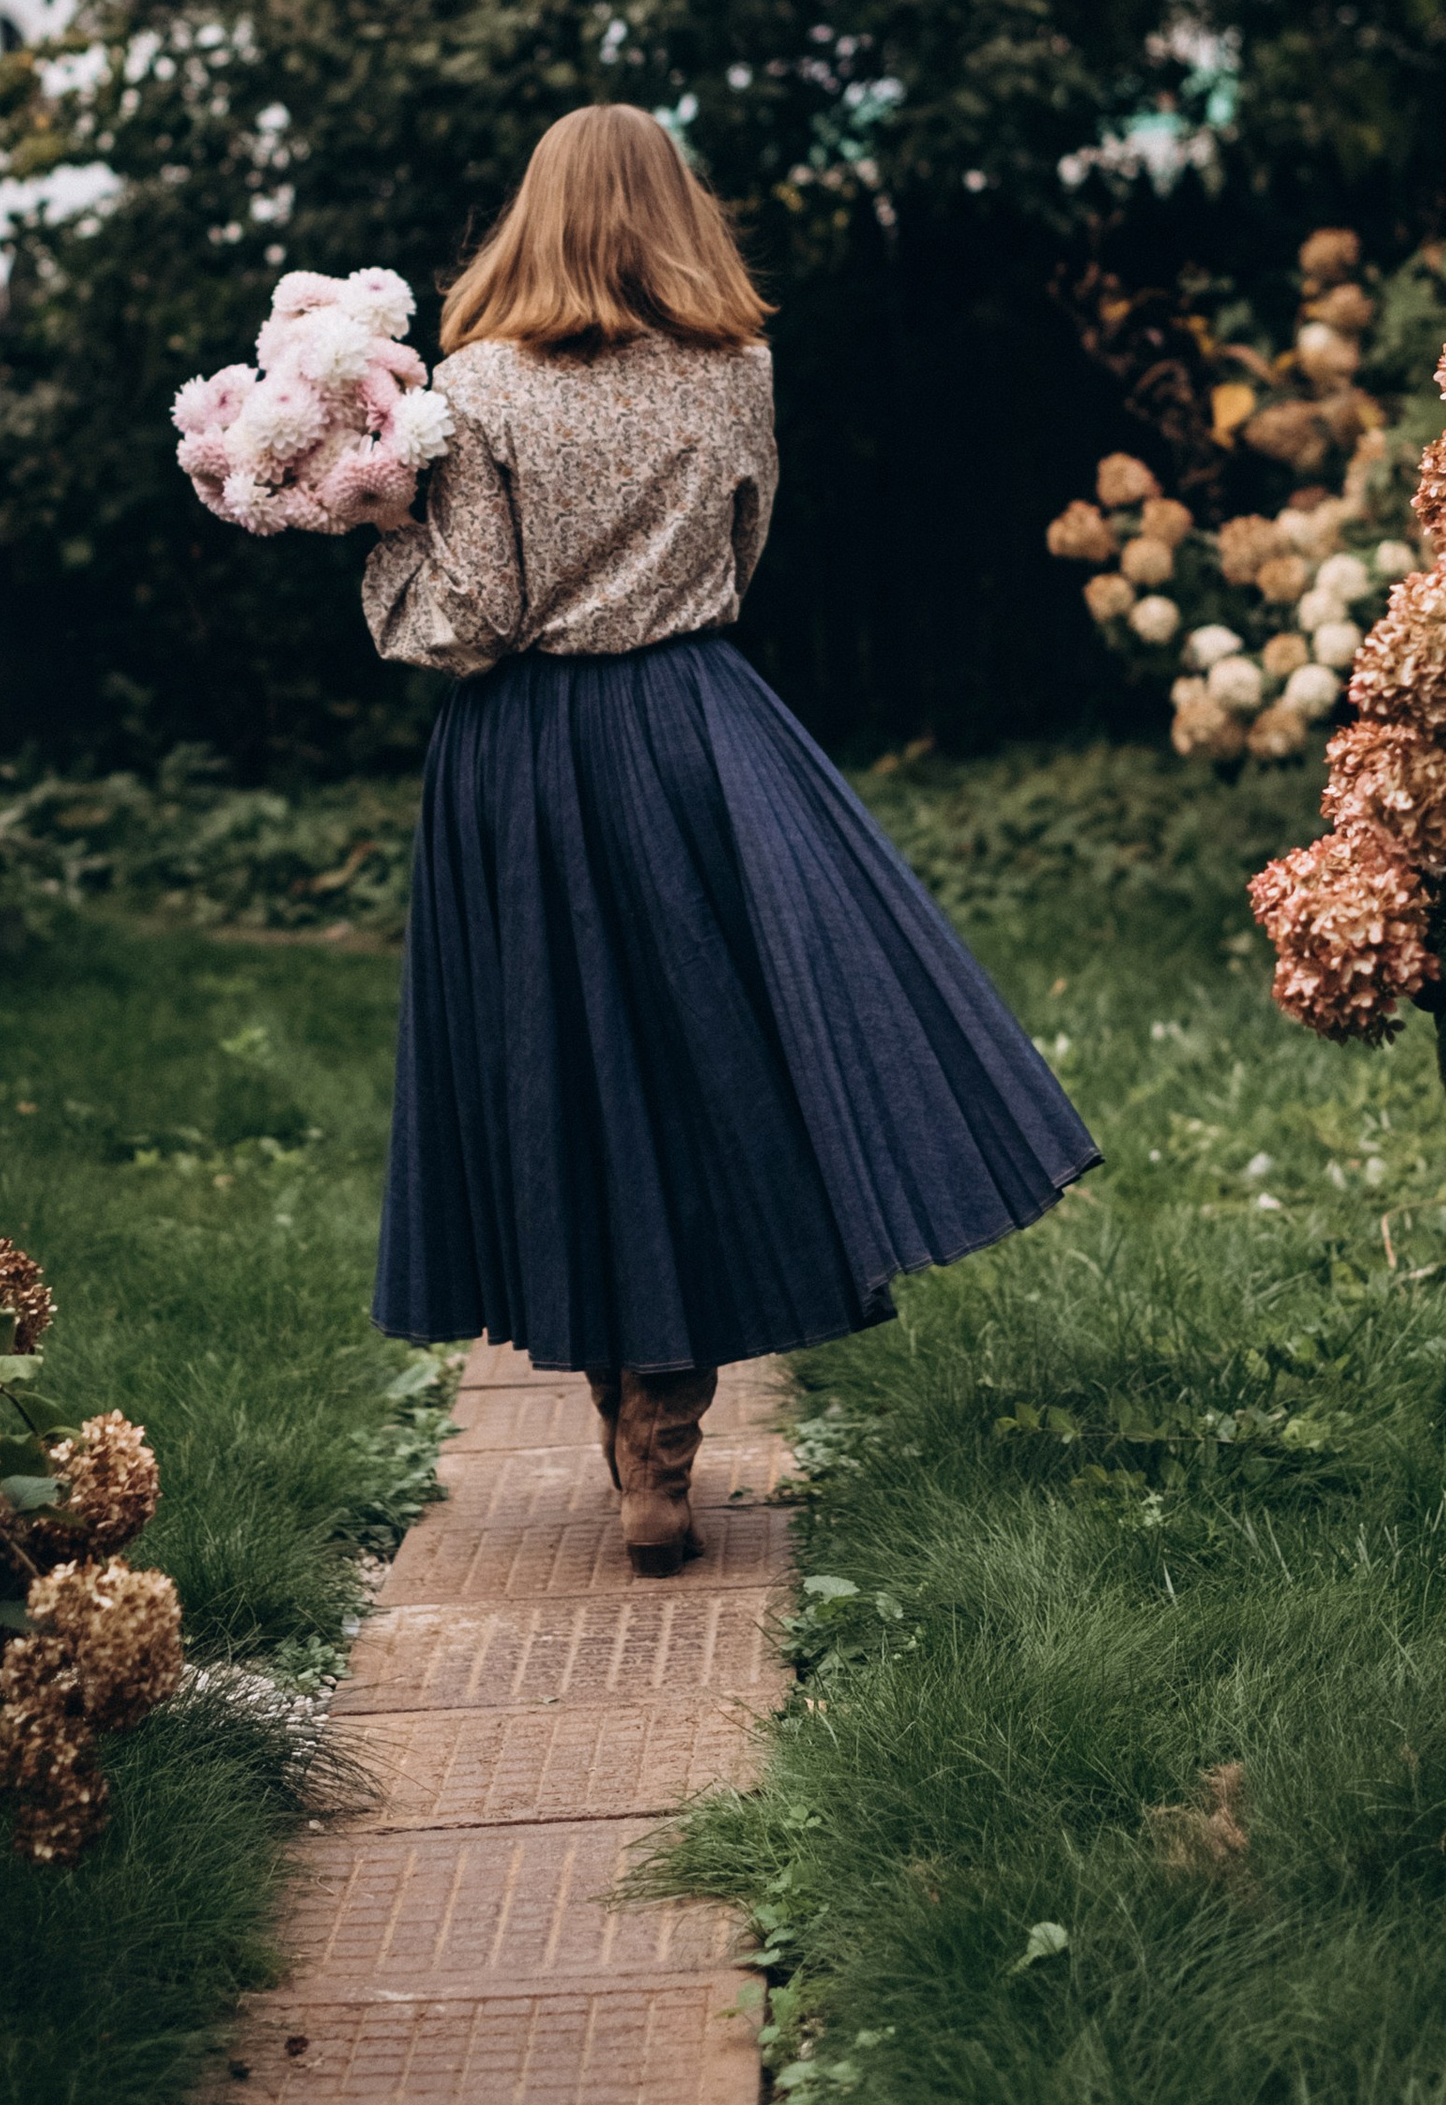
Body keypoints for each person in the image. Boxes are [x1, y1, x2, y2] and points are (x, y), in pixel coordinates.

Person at [361, 105, 1099, 1574]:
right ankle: (668, 1439)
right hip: (701, 732)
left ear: (537, 215)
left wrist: (378, 530)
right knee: (708, 1070)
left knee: (557, 1072)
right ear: (675, 212)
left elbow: (476, 615)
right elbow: (746, 550)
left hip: (526, 755)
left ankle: (628, 1438)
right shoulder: (739, 366)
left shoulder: (477, 386)